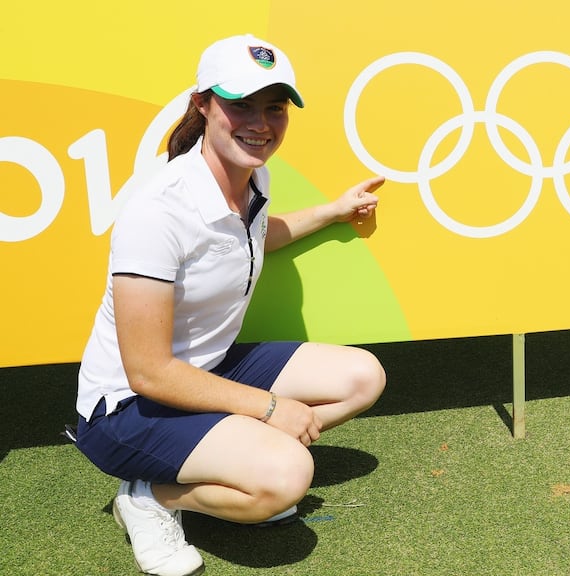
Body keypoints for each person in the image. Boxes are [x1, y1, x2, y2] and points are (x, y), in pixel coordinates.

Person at [73, 34, 387, 576]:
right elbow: (148, 371)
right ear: (201, 104)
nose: (259, 123)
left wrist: (334, 210)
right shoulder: (158, 211)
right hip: (126, 408)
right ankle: (151, 496)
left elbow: (254, 236)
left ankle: (229, 461)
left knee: (364, 376)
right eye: (239, 104)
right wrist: (268, 410)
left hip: (207, 369)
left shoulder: (252, 179)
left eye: (274, 107)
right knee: (288, 476)